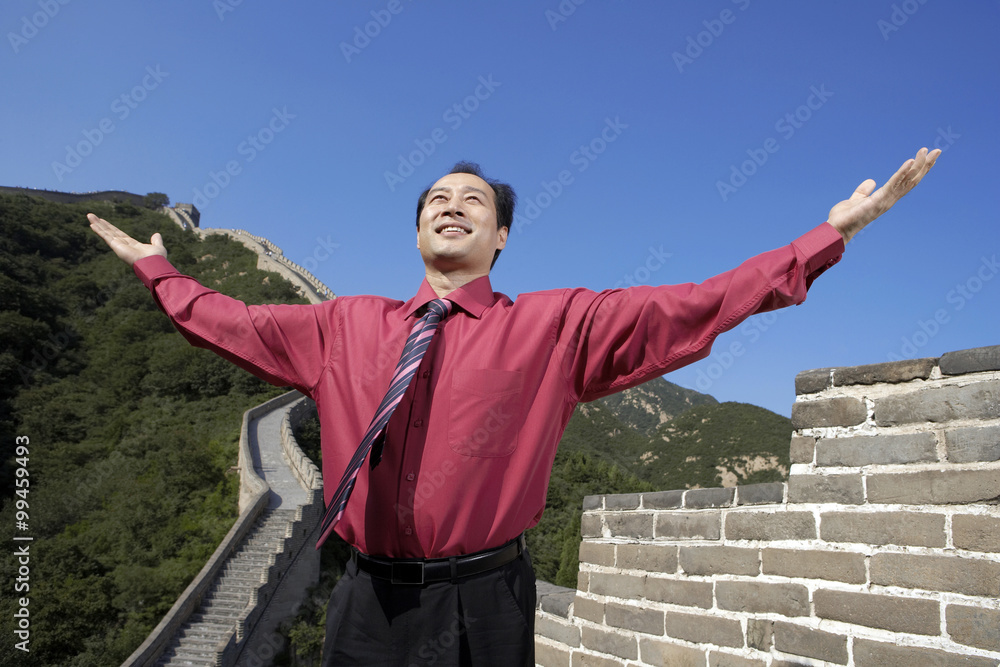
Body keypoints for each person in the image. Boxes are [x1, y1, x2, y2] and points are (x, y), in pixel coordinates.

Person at [88, 147, 940, 666]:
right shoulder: (340, 327)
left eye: (474, 202)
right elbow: (227, 321)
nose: (451, 206)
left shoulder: (555, 326)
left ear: (500, 238)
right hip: (363, 599)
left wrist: (825, 238)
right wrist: (162, 272)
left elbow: (695, 303)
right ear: (417, 231)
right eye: (434, 200)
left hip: (484, 600)